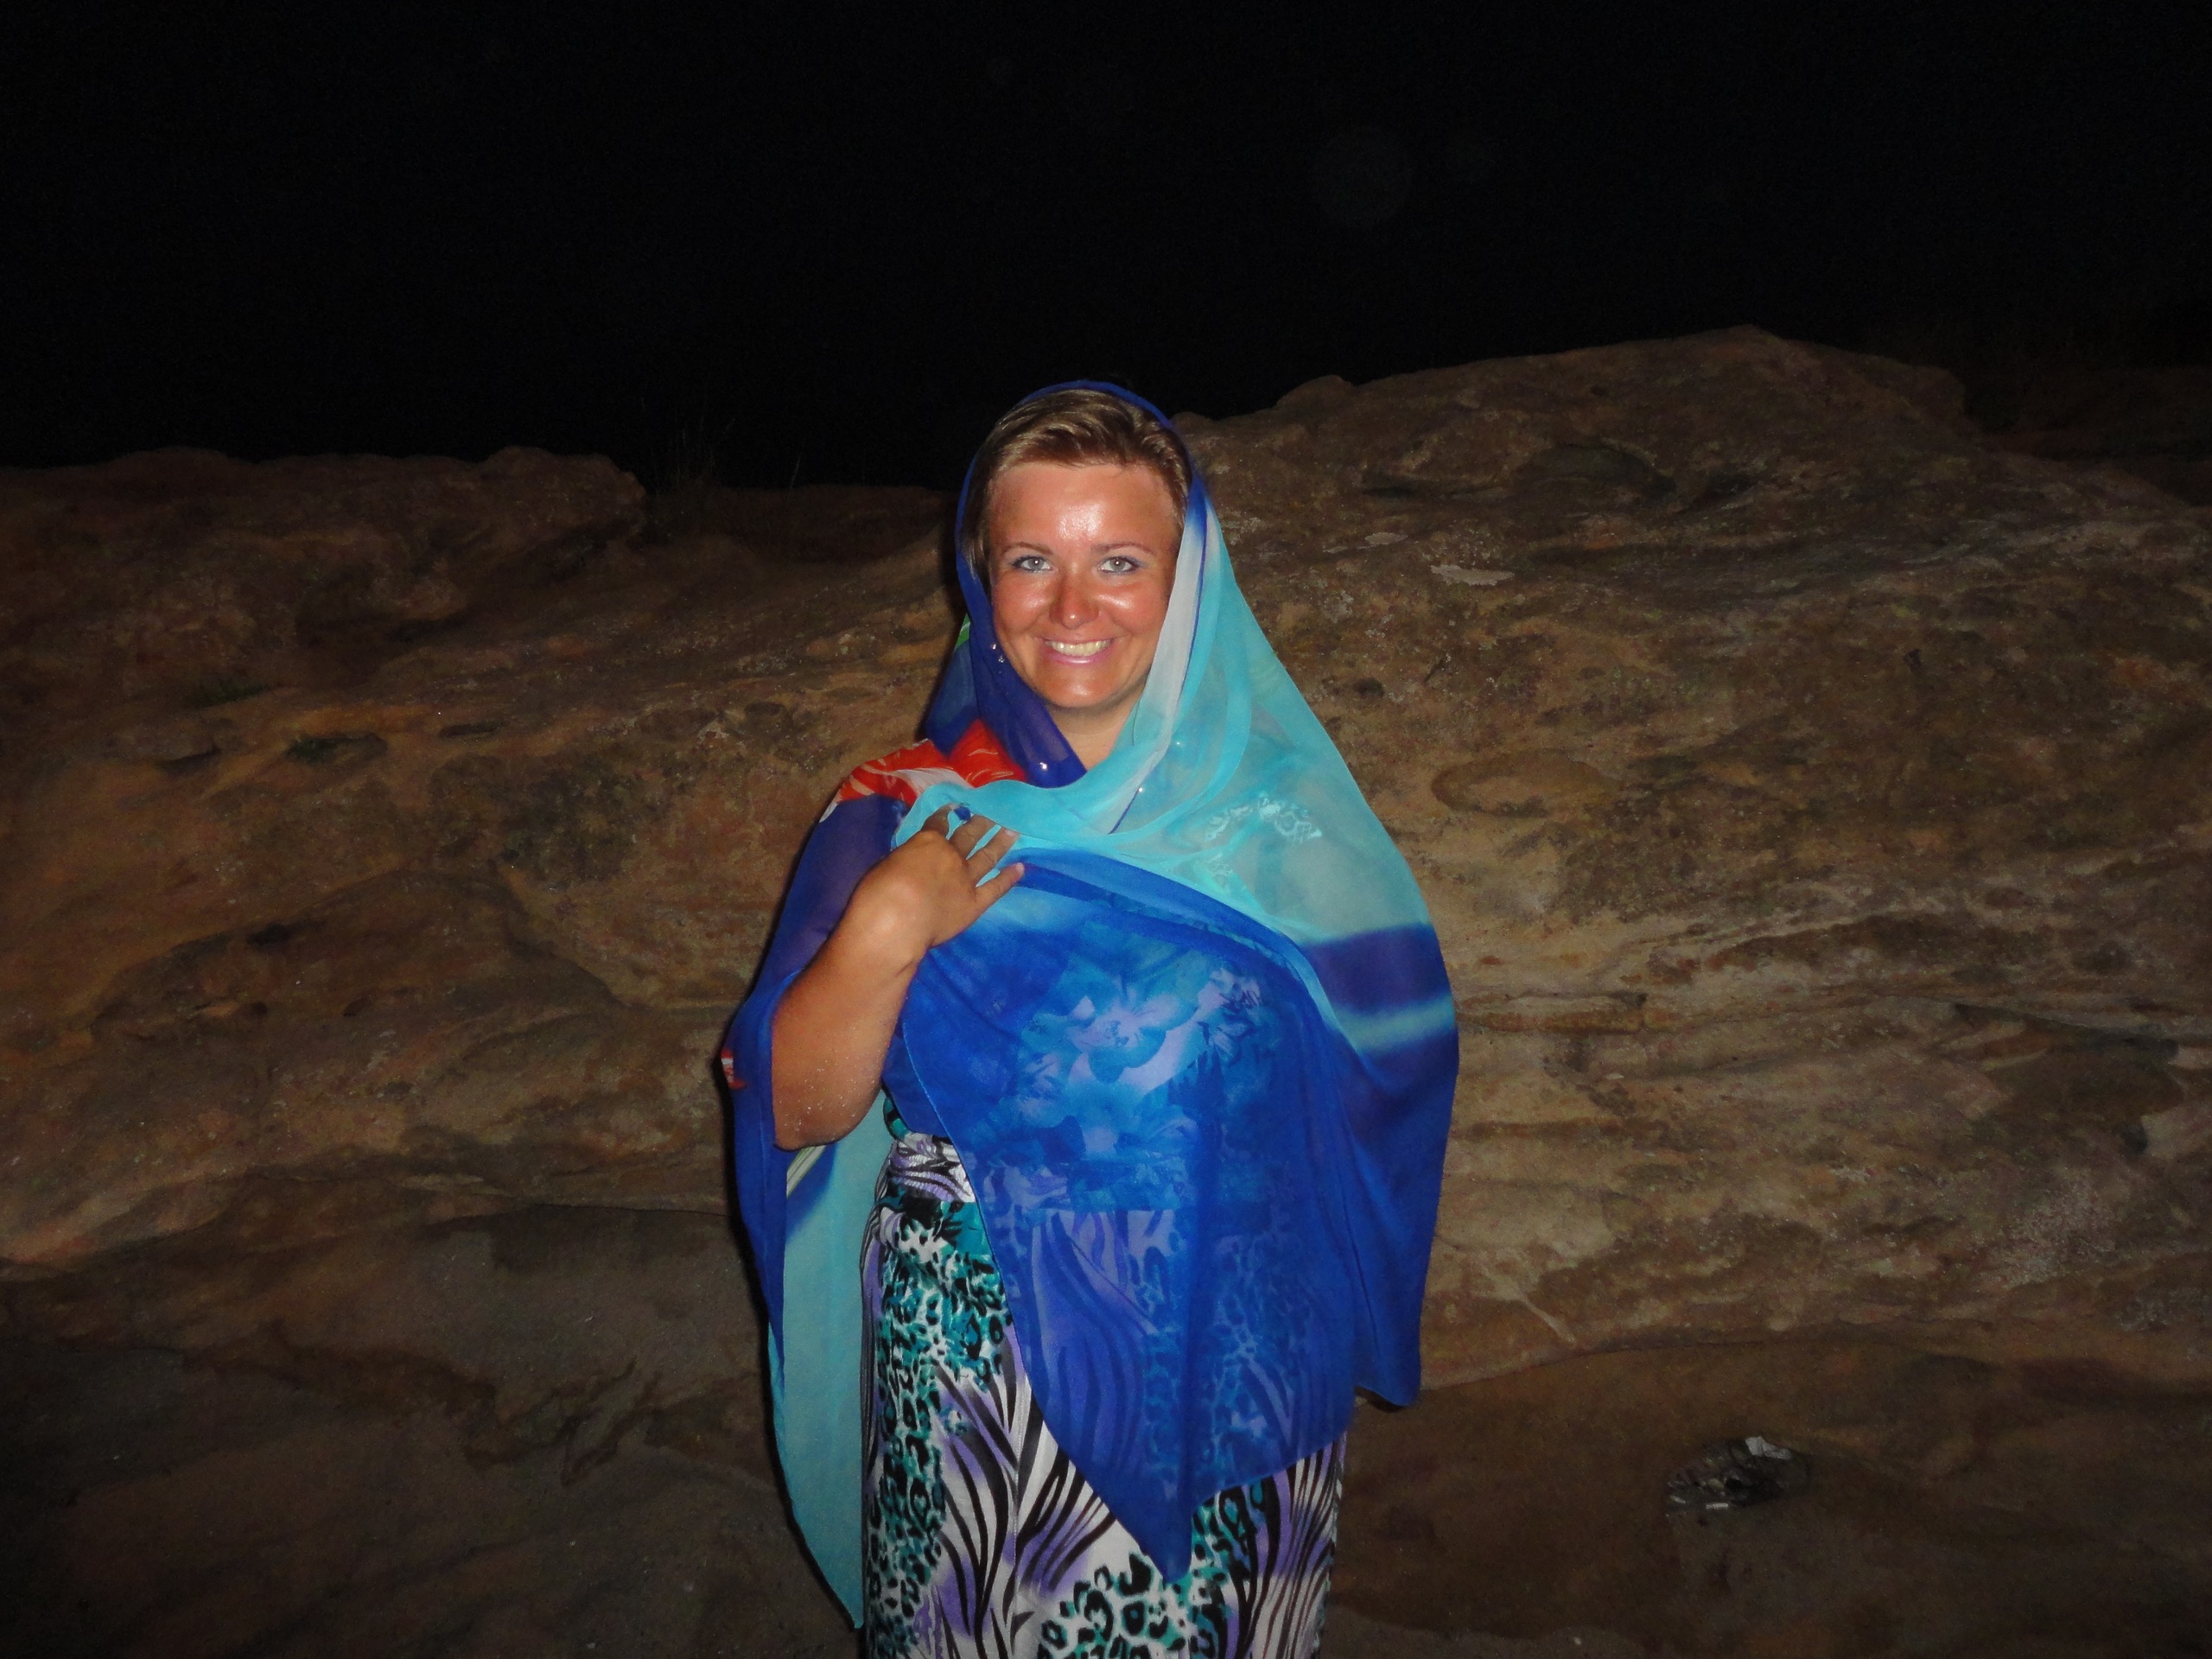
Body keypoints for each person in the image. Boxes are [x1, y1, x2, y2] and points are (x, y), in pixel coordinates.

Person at [723, 385, 1457, 1658]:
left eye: (1119, 562)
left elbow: (1392, 1064)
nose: (1072, 608)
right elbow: (795, 1109)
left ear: (1190, 582)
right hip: (981, 1377)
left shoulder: (1282, 820)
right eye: (1031, 561)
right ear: (980, 579)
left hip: (1244, 1363)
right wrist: (889, 922)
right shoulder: (902, 809)